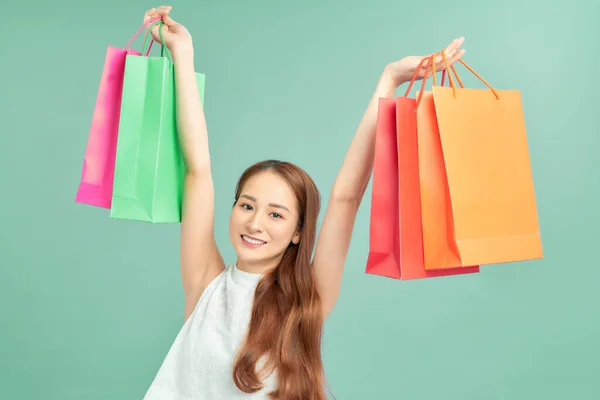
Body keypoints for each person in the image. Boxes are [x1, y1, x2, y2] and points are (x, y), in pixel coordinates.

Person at [140, 5, 465, 400]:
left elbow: (346, 197)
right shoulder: (205, 282)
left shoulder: (306, 300)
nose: (255, 223)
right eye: (246, 205)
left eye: (276, 214)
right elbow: (197, 169)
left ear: (298, 232)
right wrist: (182, 54)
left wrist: (391, 78)